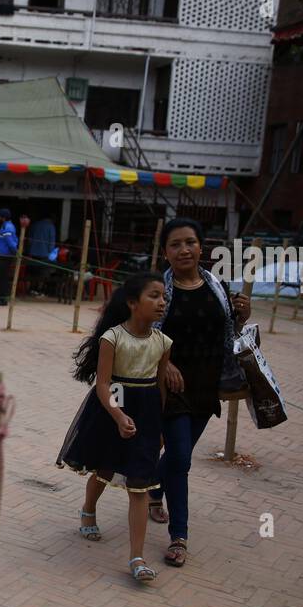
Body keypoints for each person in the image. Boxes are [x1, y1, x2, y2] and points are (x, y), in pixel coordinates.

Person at [147, 218, 252, 568]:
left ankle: (153, 489)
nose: (184, 250)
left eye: (190, 242)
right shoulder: (157, 289)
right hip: (170, 384)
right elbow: (143, 332)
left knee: (179, 455)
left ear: (201, 248)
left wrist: (241, 317)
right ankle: (180, 536)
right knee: (180, 457)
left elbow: (224, 334)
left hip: (207, 385)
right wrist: (166, 363)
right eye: (175, 244)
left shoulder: (217, 287)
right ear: (165, 251)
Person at [56, 273, 173, 583]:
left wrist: (159, 426)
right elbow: (103, 384)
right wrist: (119, 416)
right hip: (112, 407)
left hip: (146, 413)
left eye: (164, 296)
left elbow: (160, 387)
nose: (162, 302)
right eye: (154, 295)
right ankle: (88, 509)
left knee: (140, 486)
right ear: (133, 303)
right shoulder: (112, 338)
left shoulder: (163, 342)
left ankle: (137, 558)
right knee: (105, 470)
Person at [0, 207, 18, 306]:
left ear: (3, 217)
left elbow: (10, 243)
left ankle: (2, 300)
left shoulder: (8, 227)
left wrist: (16, 253)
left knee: (2, 278)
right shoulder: (5, 226)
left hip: (5, 256)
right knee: (0, 277)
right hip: (2, 255)